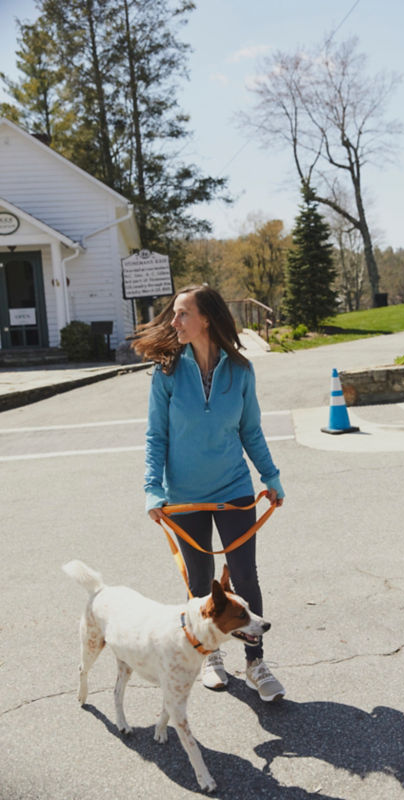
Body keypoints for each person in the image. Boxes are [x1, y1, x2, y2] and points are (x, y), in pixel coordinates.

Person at [132, 284, 285, 702]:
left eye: (183, 314)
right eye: (174, 314)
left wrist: (270, 477)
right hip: (184, 496)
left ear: (207, 319)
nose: (174, 322)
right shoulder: (165, 371)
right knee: (200, 583)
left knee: (245, 577)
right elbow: (156, 436)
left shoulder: (240, 370)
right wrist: (153, 489)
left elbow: (250, 430)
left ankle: (255, 663)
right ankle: (212, 657)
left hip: (233, 488)